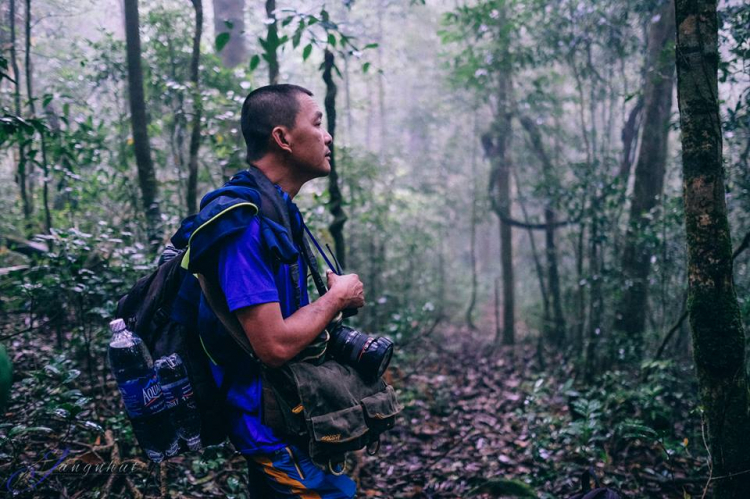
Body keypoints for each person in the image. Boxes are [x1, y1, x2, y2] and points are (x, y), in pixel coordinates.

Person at [197, 84, 363, 498]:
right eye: (317, 124)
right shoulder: (245, 225)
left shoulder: (279, 210)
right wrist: (336, 298)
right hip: (269, 425)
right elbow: (271, 344)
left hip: (292, 413)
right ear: (283, 138)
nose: (327, 137)